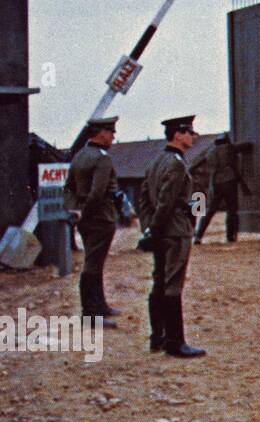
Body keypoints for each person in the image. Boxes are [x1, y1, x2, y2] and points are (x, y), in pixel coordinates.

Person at [137, 115, 204, 357]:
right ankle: (175, 342)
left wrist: (149, 228)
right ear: (178, 135)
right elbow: (165, 203)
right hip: (175, 231)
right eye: (189, 132)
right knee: (173, 284)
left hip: (163, 229)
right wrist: (156, 229)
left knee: (160, 282)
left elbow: (144, 198)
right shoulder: (176, 164)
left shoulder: (157, 162)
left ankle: (158, 337)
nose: (193, 136)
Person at [63, 116, 123, 328]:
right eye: (111, 132)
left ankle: (100, 306)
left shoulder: (79, 156)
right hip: (101, 217)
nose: (113, 136)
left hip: (86, 219)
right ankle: (91, 315)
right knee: (93, 265)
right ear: (101, 133)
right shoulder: (102, 159)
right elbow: (97, 194)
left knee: (94, 262)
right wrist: (85, 212)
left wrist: (76, 211)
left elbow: (69, 187)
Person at [192, 133, 252, 244]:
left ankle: (198, 236)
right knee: (231, 210)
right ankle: (230, 237)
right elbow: (247, 145)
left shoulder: (210, 152)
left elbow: (197, 162)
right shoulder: (229, 147)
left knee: (210, 211)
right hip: (229, 181)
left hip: (215, 183)